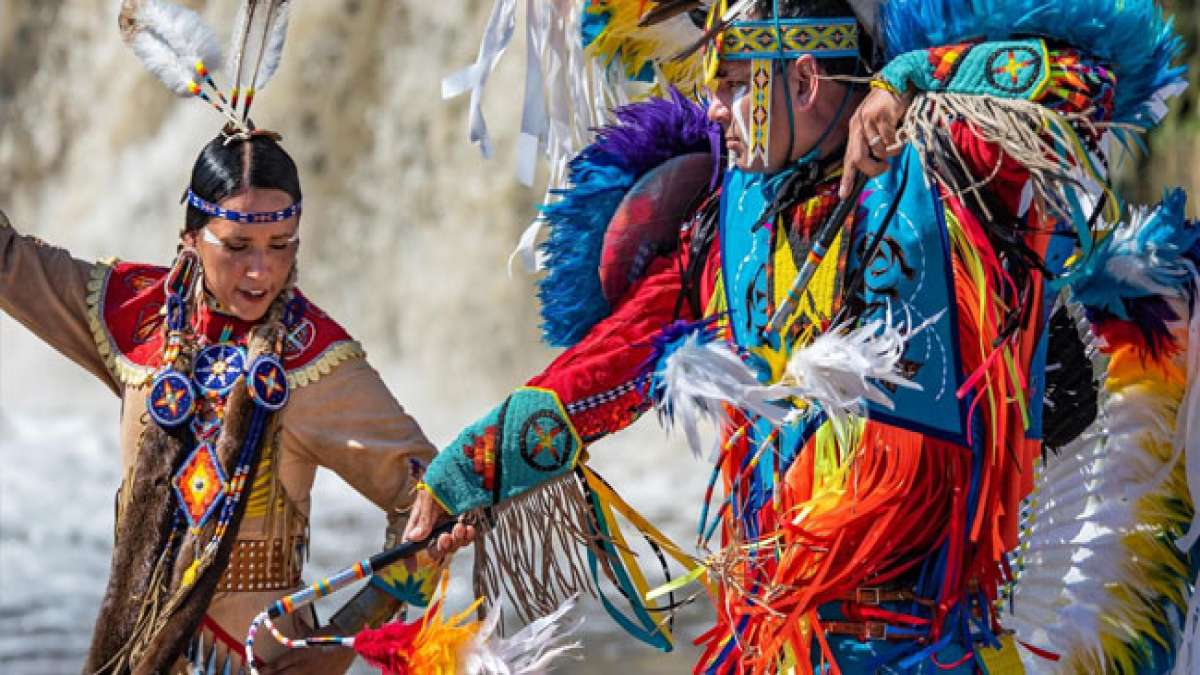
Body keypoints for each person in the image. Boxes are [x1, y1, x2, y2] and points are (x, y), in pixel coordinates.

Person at [406, 0, 1197, 672]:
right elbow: (612, 362)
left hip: (921, 640)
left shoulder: (959, 165)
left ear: (806, 78)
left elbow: (1087, 82)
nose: (712, 110)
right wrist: (465, 472)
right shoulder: (733, 219)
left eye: (732, 85)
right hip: (770, 635)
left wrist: (911, 79)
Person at [0, 2, 443, 673]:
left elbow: (428, 499)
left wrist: (339, 638)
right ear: (190, 238)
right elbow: (11, 264)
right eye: (236, 246)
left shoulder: (314, 361)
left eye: (281, 245)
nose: (261, 269)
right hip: (137, 651)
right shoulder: (131, 314)